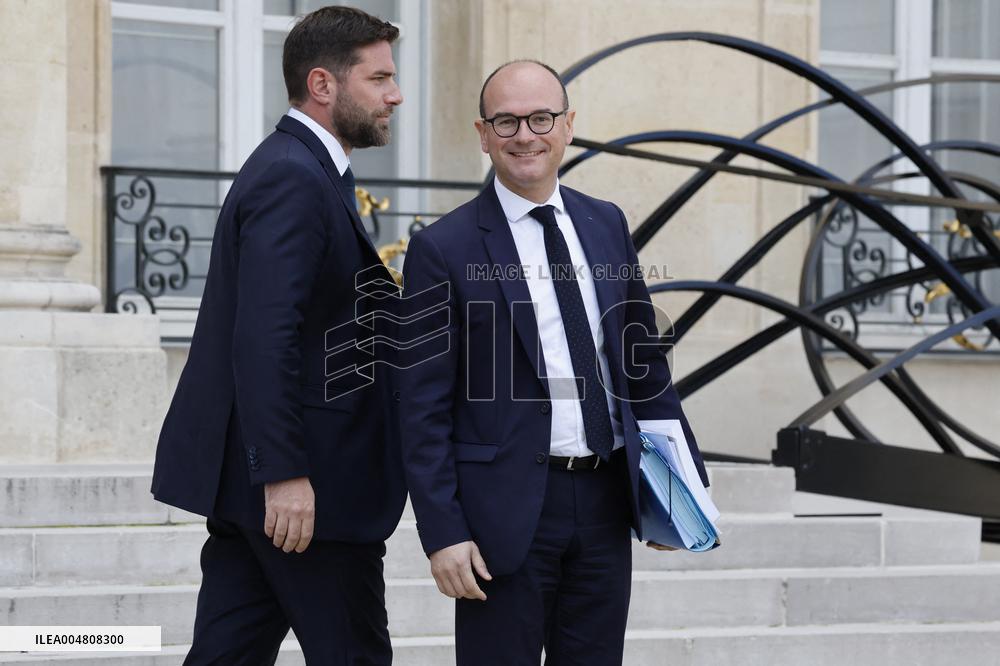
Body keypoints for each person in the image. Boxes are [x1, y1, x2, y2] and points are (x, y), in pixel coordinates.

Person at [397, 60, 709, 665]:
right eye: (506, 121)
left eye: (540, 118)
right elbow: (421, 406)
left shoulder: (606, 223)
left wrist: (677, 491)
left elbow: (643, 365)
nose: (525, 135)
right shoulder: (443, 248)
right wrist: (443, 531)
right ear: (483, 134)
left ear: (568, 126)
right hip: (502, 514)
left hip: (604, 500)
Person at [151, 6, 405, 664]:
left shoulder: (302, 170)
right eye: (378, 78)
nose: (394, 94)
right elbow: (265, 337)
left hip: (262, 491)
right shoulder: (294, 177)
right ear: (323, 85)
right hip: (302, 495)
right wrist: (285, 473)